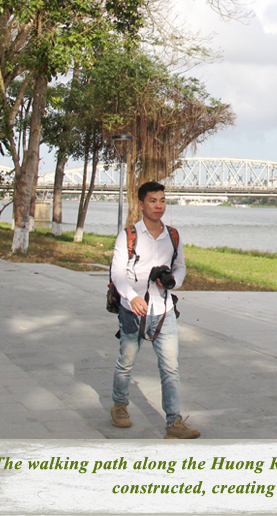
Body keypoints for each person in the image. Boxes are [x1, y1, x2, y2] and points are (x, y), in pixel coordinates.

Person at [109, 181, 200, 439]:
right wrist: (132, 297)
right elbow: (117, 273)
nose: (158, 206)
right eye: (152, 201)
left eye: (162, 200)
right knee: (126, 362)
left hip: (164, 310)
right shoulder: (128, 235)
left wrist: (173, 282)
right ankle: (119, 406)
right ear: (141, 204)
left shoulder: (173, 235)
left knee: (170, 368)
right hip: (133, 311)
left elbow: (180, 266)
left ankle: (174, 422)